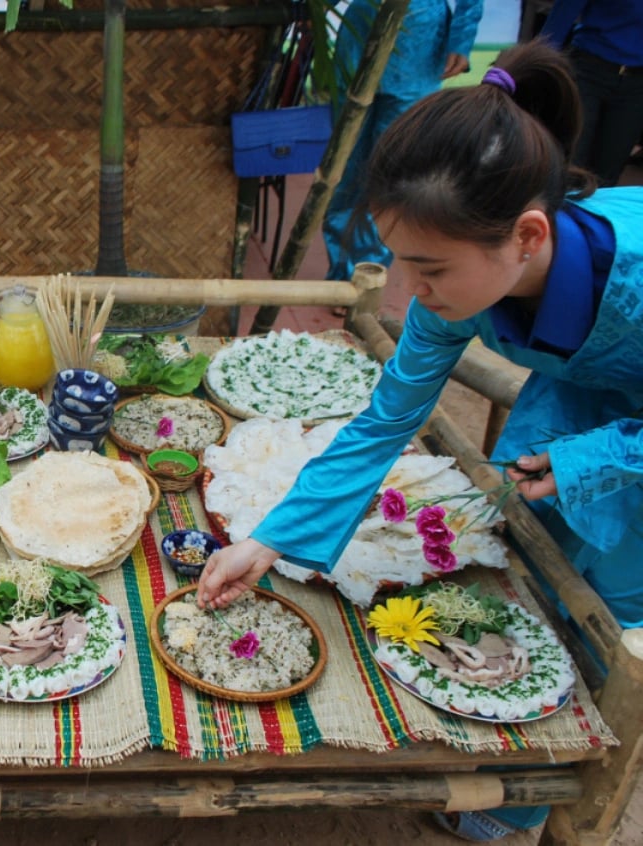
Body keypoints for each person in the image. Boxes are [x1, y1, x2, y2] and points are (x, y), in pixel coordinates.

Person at [199, 39, 643, 841]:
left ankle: (534, 803)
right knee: (535, 566)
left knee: (615, 611)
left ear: (530, 237)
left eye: (427, 269)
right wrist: (269, 541)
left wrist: (599, 458)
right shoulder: (467, 283)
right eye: (399, 263)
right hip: (579, 395)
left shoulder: (636, 273)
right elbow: (385, 420)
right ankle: (506, 758)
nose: (409, 293)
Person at [322, 0, 484, 285]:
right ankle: (341, 272)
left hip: (418, 43)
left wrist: (461, 38)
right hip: (361, 35)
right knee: (345, 164)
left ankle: (366, 273)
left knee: (393, 167)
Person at [541, 0, 643, 187]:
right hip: (589, 70)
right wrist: (537, 66)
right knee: (570, 160)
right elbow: (562, 16)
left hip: (636, 84)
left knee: (608, 173)